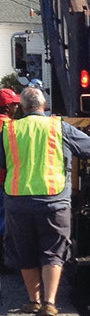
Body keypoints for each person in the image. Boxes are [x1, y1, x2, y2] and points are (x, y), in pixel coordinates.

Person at [0, 86, 90, 316]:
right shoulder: (58, 126)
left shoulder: (9, 130)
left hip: (18, 200)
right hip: (54, 199)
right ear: (44, 106)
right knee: (53, 249)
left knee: (24, 251)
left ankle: (33, 300)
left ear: (22, 107)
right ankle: (50, 303)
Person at [0, 88, 20, 271]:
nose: (16, 106)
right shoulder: (9, 127)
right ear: (7, 107)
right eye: (14, 104)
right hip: (4, 180)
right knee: (5, 222)